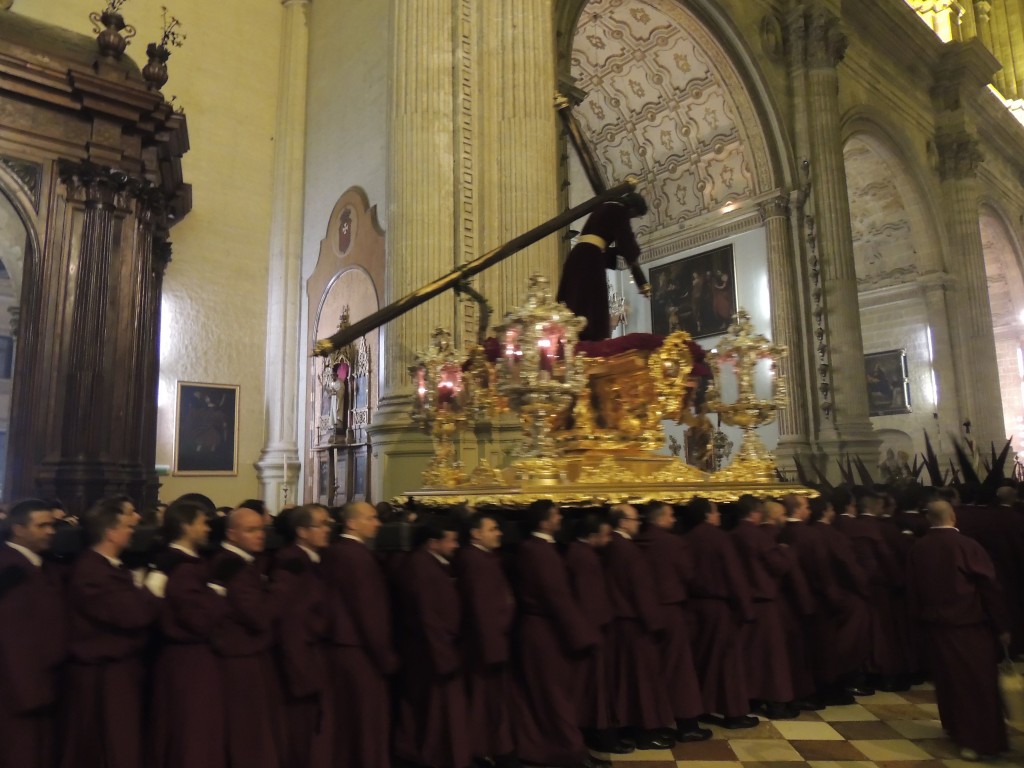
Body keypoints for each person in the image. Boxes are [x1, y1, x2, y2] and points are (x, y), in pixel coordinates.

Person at [906, 501, 1009, 761]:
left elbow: (913, 590)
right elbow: (989, 588)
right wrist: (1002, 625)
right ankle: (980, 741)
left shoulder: (919, 547)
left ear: (930, 519)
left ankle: (955, 729)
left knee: (949, 682)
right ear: (953, 516)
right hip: (968, 627)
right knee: (976, 685)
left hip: (935, 626)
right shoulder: (967, 546)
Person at [62, 498, 161, 768]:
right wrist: (153, 588)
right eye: (128, 526)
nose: (133, 532)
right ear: (110, 532)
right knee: (108, 747)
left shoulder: (109, 566)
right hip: (102, 677)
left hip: (119, 671)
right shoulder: (91, 571)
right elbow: (133, 615)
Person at [510, 500, 602, 768]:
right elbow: (557, 597)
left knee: (550, 695)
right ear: (544, 521)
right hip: (545, 633)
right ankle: (571, 754)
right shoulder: (540, 552)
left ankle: (559, 750)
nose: (560, 517)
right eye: (556, 514)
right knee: (554, 696)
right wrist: (583, 636)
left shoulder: (537, 548)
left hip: (543, 630)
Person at [149, 500, 227, 768]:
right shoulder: (182, 568)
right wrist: (217, 593)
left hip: (188, 660)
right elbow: (199, 619)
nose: (208, 528)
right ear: (185, 526)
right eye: (203, 522)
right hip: (188, 663)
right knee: (192, 736)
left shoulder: (181, 563)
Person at [207, 506, 286, 768]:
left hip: (247, 656)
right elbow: (259, 616)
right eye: (251, 530)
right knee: (248, 732)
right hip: (240, 660)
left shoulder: (241, 563)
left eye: (260, 529)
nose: (259, 535)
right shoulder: (233, 566)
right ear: (231, 534)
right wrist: (279, 589)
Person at [322, 501, 398, 768]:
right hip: (360, 651)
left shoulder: (335, 551)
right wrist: (384, 656)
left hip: (340, 647)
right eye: (371, 518)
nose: (377, 524)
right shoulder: (357, 557)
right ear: (352, 523)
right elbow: (368, 610)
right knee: (366, 720)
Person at [394, 518, 470, 768]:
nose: (456, 546)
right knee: (434, 713)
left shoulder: (430, 564)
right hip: (430, 653)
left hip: (434, 650)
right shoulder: (421, 568)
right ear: (433, 543)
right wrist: (444, 657)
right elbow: (428, 615)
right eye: (452, 540)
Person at [635, 502, 710, 742]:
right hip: (671, 611)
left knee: (653, 671)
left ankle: (658, 720)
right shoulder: (672, 543)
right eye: (670, 515)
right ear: (659, 519)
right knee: (680, 671)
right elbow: (688, 574)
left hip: (644, 613)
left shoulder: (636, 543)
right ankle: (687, 724)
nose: (674, 520)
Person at [0, 499, 66, 768]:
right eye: (42, 526)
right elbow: (11, 636)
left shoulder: (41, 564)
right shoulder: (9, 569)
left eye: (52, 525)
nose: (51, 531)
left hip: (44, 683)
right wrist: (29, 690)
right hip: (19, 691)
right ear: (19, 529)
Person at [603, 505, 675, 749]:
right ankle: (645, 734)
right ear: (622, 522)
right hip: (634, 625)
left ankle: (633, 728)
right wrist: (655, 623)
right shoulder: (626, 550)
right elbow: (640, 590)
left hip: (619, 624)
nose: (639, 524)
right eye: (635, 519)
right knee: (641, 681)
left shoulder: (611, 545)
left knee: (628, 681)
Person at [682, 497, 757, 728]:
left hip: (694, 607)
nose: (719, 516)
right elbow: (734, 576)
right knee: (727, 661)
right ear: (707, 515)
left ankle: (703, 707)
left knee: (702, 659)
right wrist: (746, 609)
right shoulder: (719, 538)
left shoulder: (686, 539)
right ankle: (734, 713)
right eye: (715, 512)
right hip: (719, 608)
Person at [453, 512, 520, 768]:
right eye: (492, 529)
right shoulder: (475, 561)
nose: (499, 533)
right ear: (476, 533)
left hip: (492, 644)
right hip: (485, 649)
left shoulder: (484, 558)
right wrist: (493, 649)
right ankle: (483, 752)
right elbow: (481, 610)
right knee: (483, 705)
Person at [273, 504, 335, 768]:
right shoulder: (292, 563)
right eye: (320, 524)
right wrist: (302, 675)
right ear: (301, 531)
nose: (327, 529)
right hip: (301, 663)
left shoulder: (311, 560)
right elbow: (292, 622)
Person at [565, 514, 630, 756]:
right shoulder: (584, 558)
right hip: (593, 633)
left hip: (591, 631)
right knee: (594, 690)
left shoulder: (581, 553)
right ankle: (602, 739)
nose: (608, 539)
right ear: (592, 537)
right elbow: (589, 601)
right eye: (604, 535)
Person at [730, 495, 797, 719]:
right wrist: (786, 551)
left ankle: (751, 699)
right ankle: (777, 704)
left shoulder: (731, 536)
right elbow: (779, 566)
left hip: (741, 604)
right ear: (756, 512)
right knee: (772, 659)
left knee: (750, 657)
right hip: (765, 604)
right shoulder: (759, 536)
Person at [557, 192, 650, 341]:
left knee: (575, 297)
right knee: (591, 301)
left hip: (579, 255)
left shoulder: (604, 207)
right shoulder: (619, 211)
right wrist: (633, 253)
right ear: (632, 208)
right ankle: (588, 336)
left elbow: (601, 242)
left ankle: (569, 334)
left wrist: (621, 252)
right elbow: (626, 240)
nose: (632, 217)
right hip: (591, 258)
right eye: (635, 214)